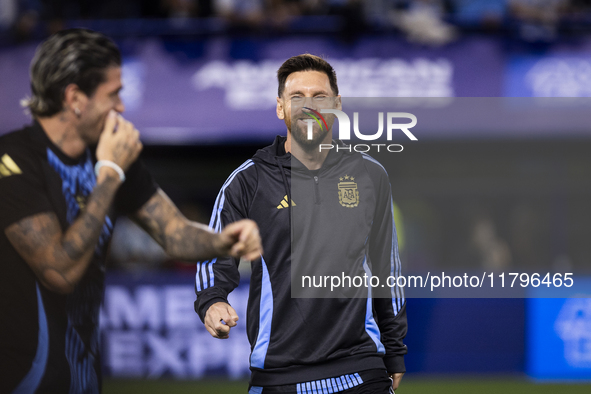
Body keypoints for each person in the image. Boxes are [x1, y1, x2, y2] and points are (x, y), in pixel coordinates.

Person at [0, 28, 262, 393]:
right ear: (75, 98)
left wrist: (223, 241)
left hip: (83, 380)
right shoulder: (13, 160)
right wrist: (110, 175)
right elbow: (57, 271)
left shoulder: (110, 157)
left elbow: (174, 232)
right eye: (114, 94)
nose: (122, 106)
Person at [194, 54, 407, 393]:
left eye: (320, 96)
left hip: (361, 370)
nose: (309, 106)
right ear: (281, 108)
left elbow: (387, 271)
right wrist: (212, 299)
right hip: (278, 375)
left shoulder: (370, 175)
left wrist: (394, 350)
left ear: (337, 104)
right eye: (297, 97)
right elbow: (213, 251)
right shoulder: (247, 181)